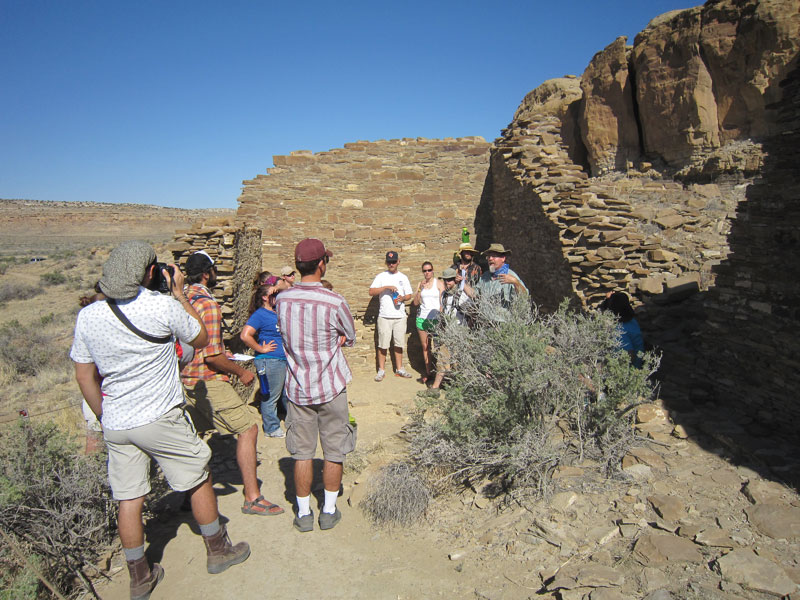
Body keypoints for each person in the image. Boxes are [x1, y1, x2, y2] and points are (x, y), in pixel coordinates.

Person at [70, 241, 250, 599]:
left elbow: (84, 376)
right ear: (151, 272)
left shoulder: (88, 315)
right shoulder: (160, 305)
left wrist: (106, 417)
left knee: (129, 497)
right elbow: (199, 338)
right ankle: (218, 549)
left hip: (118, 423)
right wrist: (181, 294)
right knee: (198, 475)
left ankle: (140, 576)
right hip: (159, 415)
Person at [181, 251, 285, 517]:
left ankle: (188, 494)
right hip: (207, 379)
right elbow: (212, 357)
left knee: (191, 435)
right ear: (207, 273)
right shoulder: (206, 304)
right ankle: (252, 497)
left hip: (183, 381)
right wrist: (240, 371)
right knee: (248, 429)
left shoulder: (180, 299)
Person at [276, 238, 357, 532]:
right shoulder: (334, 301)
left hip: (298, 386)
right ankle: (329, 510)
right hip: (331, 385)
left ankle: (303, 513)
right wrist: (336, 340)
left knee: (302, 452)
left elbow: (285, 335)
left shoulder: (281, 300)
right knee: (333, 449)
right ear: (321, 264)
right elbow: (350, 335)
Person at [240, 277, 287, 438]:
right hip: (270, 360)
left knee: (284, 394)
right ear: (264, 297)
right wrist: (261, 348)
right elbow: (245, 335)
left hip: (280, 360)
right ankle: (271, 428)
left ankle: (288, 421)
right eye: (273, 293)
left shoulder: (275, 312)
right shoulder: (260, 314)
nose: (277, 295)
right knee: (271, 395)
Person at [422, 267, 471, 397]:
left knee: (457, 363)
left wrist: (465, 283)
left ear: (455, 280)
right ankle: (436, 388)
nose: (448, 283)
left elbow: (473, 306)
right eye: (446, 280)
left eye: (450, 280)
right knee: (443, 359)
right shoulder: (444, 295)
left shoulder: (461, 295)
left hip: (460, 333)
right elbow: (443, 311)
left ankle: (457, 389)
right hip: (448, 333)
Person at [368, 251, 413, 381]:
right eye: (389, 262)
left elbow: (409, 295)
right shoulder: (381, 276)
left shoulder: (403, 277)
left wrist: (402, 298)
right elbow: (371, 292)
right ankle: (381, 370)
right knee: (383, 344)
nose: (391, 264)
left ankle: (399, 368)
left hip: (399, 316)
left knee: (399, 344)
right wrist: (385, 287)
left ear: (398, 262)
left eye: (393, 262)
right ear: (386, 262)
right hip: (384, 316)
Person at [463, 243, 527, 308]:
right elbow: (474, 294)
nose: (490, 259)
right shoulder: (485, 276)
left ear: (503, 258)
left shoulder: (511, 276)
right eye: (488, 256)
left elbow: (525, 297)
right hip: (485, 318)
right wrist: (462, 282)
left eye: (494, 256)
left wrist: (516, 283)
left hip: (504, 318)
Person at [411, 261, 444, 382]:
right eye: (425, 271)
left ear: (433, 270)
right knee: (425, 347)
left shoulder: (439, 284)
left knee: (438, 347)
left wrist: (440, 317)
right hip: (422, 318)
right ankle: (428, 372)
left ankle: (439, 373)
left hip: (435, 319)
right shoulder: (420, 284)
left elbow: (443, 303)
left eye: (429, 270)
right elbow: (415, 303)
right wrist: (420, 290)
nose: (427, 273)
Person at [599, 291, 644, 368]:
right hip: (638, 366)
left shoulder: (620, 330)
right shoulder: (632, 321)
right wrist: (608, 300)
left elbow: (628, 355)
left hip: (629, 371)